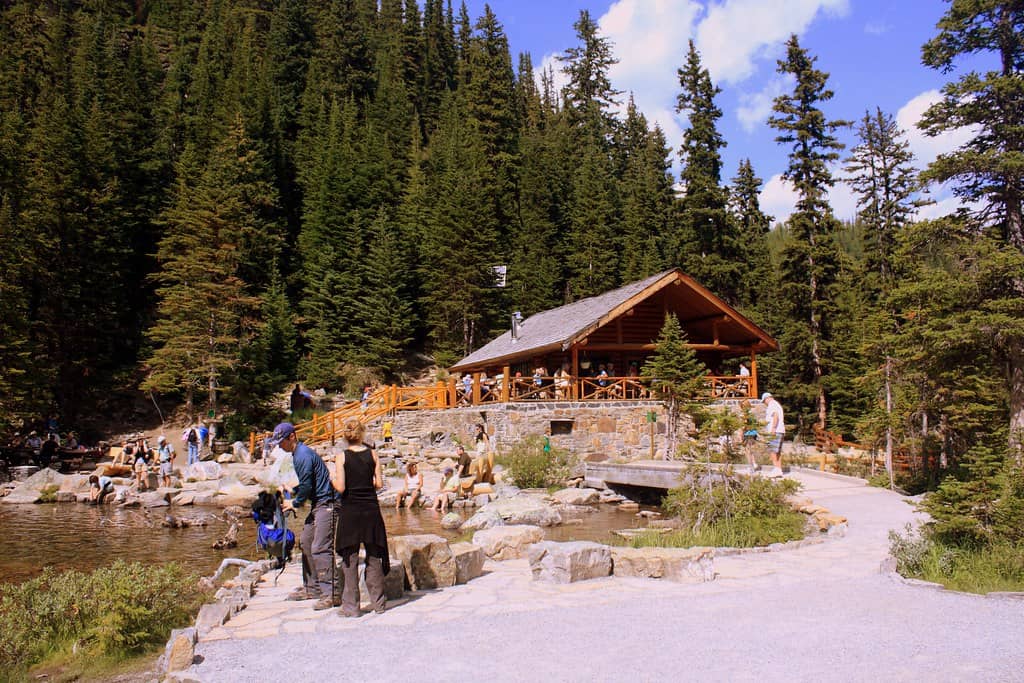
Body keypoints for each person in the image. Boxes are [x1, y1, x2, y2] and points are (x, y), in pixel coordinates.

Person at [275, 421, 337, 610]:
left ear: (292, 436)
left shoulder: (302, 455)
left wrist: (293, 503)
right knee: (306, 541)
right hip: (317, 504)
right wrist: (291, 489)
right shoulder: (298, 454)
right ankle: (313, 587)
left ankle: (331, 593)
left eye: (281, 441)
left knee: (320, 547)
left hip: (327, 504)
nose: (279, 445)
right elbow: (306, 483)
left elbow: (308, 486)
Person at [332, 418, 390, 617]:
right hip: (370, 509)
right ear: (362, 434)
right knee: (374, 555)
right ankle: (379, 604)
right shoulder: (373, 454)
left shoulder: (342, 457)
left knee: (350, 558)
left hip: (350, 510)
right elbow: (379, 483)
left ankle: (352, 607)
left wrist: (331, 480)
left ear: (346, 436)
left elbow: (341, 487)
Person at [763, 392, 786, 476]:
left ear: (767, 398)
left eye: (764, 401)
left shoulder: (772, 405)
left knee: (772, 450)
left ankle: (776, 469)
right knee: (777, 451)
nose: (764, 403)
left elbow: (775, 415)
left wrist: (773, 428)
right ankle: (779, 469)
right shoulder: (777, 404)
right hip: (780, 430)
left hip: (775, 431)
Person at [740, 399, 760, 472]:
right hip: (754, 433)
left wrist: (741, 434)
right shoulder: (752, 414)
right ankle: (754, 463)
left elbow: (744, 425)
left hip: (747, 433)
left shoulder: (745, 415)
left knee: (747, 451)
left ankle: (751, 466)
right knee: (751, 450)